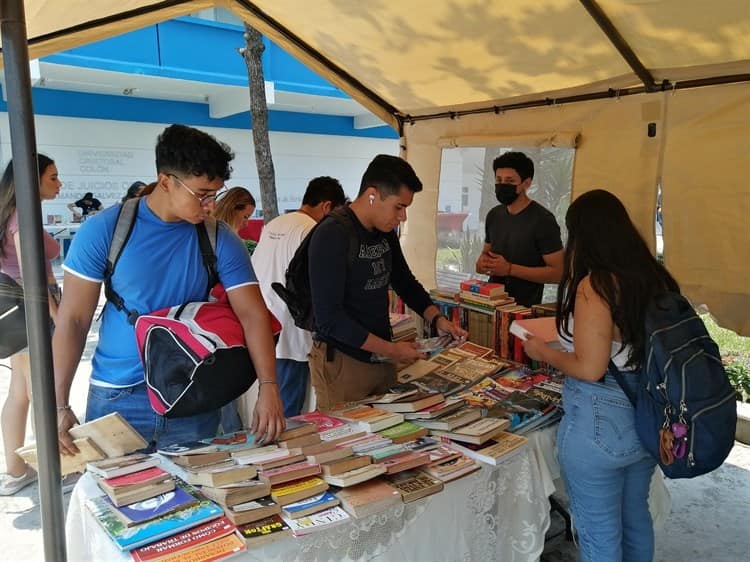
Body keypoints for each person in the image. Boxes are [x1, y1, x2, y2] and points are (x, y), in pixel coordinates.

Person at [53, 124, 285, 456]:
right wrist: (59, 404)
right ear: (165, 181)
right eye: (202, 194)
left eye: (215, 194)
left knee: (196, 500)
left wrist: (269, 386)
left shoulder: (219, 237)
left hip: (192, 393)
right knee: (118, 501)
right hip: (119, 397)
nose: (210, 205)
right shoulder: (105, 230)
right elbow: (73, 320)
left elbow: (252, 314)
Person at [523, 189, 680, 562]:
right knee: (635, 519)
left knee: (599, 533)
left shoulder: (596, 285)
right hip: (647, 413)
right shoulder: (656, 277)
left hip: (600, 419)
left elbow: (590, 368)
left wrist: (543, 351)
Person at [308, 154, 467, 410]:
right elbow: (330, 319)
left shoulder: (385, 233)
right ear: (373, 194)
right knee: (351, 443)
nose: (402, 217)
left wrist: (437, 319)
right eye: (398, 206)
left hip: (382, 357)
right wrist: (391, 350)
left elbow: (405, 282)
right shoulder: (332, 235)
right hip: (344, 363)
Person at [252, 176, 347, 416]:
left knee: (270, 404)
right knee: (289, 411)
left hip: (263, 326)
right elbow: (317, 284)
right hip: (293, 330)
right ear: (327, 206)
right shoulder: (313, 230)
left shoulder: (274, 223)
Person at [0, 154, 62, 495]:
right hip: (32, 308)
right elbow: (31, 273)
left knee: (20, 393)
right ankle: (54, 469)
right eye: (52, 177)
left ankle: (16, 469)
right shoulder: (22, 214)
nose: (58, 183)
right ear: (32, 178)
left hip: (15, 310)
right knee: (41, 392)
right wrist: (56, 316)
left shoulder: (8, 212)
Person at [475, 151, 564, 306]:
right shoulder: (494, 215)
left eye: (510, 181)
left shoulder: (543, 220)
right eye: (498, 180)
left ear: (526, 183)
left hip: (523, 309)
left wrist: (510, 269)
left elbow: (558, 273)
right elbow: (485, 255)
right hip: (490, 304)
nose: (502, 185)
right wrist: (482, 264)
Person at [211, 186, 257, 432]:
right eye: (245, 216)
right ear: (233, 209)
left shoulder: (223, 235)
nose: (247, 222)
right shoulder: (223, 238)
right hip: (218, 327)